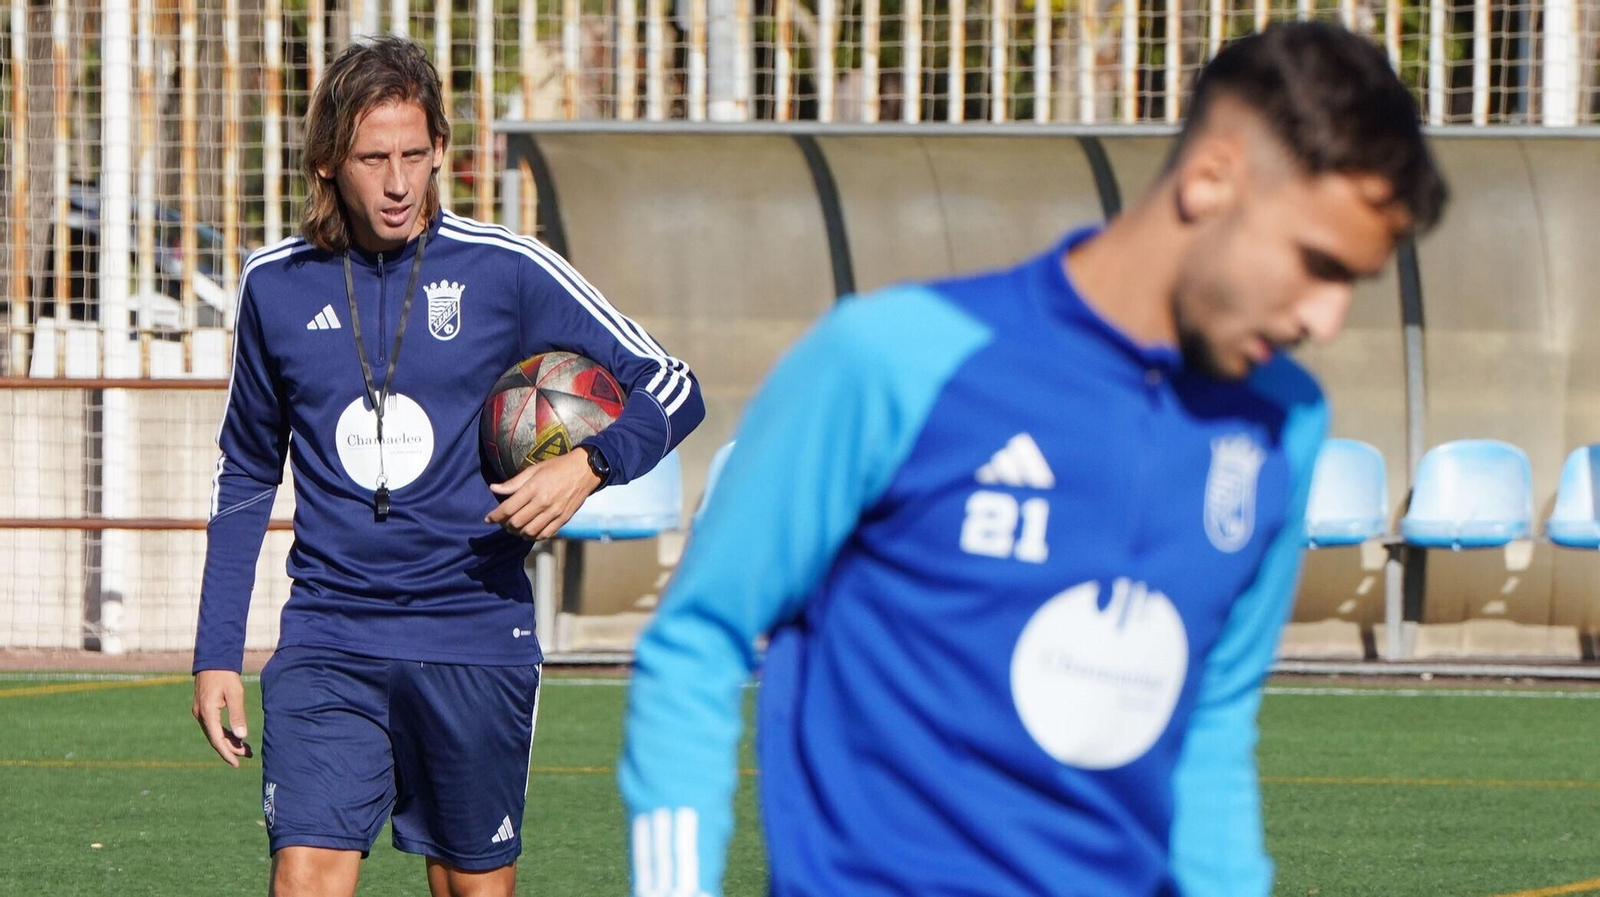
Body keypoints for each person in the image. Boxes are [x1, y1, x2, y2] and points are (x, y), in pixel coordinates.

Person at [619, 21, 1445, 897]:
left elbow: (1210, 724)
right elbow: (698, 640)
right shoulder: (895, 358)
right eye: (1317, 265)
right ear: (1212, 178)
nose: (1327, 321)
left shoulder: (1285, 422)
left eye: (1350, 283)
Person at [189, 35, 703, 897]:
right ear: (327, 164)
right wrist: (214, 651)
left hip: (474, 632)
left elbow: (672, 383)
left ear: (440, 154)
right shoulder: (275, 284)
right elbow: (246, 470)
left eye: (415, 157)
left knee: (473, 885)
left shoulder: (505, 269)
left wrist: (589, 465)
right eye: (373, 158)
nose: (397, 183)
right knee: (304, 876)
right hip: (331, 632)